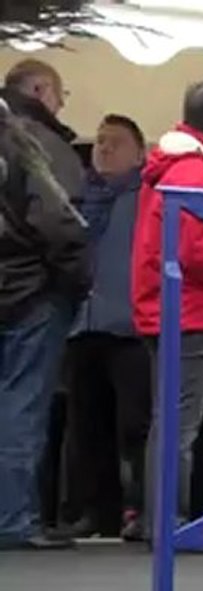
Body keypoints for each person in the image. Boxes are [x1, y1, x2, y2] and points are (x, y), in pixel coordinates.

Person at [132, 81, 203, 538]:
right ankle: (170, 526)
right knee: (180, 427)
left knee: (167, 424)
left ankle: (157, 521)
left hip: (165, 309)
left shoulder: (166, 167)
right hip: (191, 314)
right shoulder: (195, 174)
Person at [0, 61, 89, 551]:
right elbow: (59, 219)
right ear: (39, 89)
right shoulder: (37, 142)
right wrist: (79, 279)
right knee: (22, 406)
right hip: (33, 290)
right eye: (61, 94)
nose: (62, 104)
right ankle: (13, 519)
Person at [60, 114, 151, 541]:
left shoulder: (148, 196)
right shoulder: (78, 197)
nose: (104, 149)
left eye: (115, 142)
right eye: (98, 141)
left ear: (139, 152)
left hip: (131, 325)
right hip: (83, 323)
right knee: (87, 427)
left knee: (135, 426)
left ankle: (141, 507)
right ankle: (98, 512)